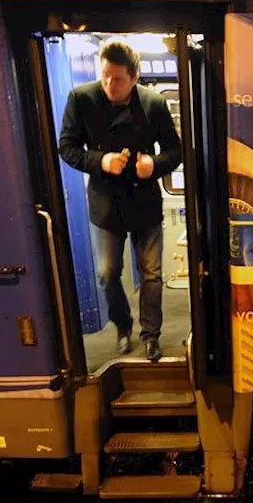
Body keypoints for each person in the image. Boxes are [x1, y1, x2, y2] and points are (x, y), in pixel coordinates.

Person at [59, 38, 183, 361]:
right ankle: (123, 326)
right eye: (105, 76)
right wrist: (101, 161)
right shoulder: (81, 99)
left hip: (144, 203)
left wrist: (153, 165)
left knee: (152, 275)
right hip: (106, 206)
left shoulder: (153, 103)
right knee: (107, 273)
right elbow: (67, 147)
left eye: (118, 79)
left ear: (135, 76)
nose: (110, 85)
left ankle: (150, 334)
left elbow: (176, 151)